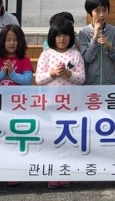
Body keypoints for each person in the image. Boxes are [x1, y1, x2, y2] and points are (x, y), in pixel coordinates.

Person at [36, 15, 85, 189]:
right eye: (58, 35)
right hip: (50, 105)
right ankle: (52, 173)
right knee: (52, 139)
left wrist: (68, 74)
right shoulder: (46, 54)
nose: (62, 39)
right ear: (52, 36)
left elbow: (81, 78)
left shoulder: (76, 55)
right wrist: (53, 74)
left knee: (68, 140)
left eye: (65, 35)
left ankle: (66, 172)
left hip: (70, 106)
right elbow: (39, 79)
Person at [78, 0, 115, 85]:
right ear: (90, 12)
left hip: (109, 83)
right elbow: (87, 59)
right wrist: (95, 38)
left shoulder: (114, 31)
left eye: (104, 10)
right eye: (97, 11)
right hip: (90, 84)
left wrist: (109, 46)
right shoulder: (84, 32)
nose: (102, 14)